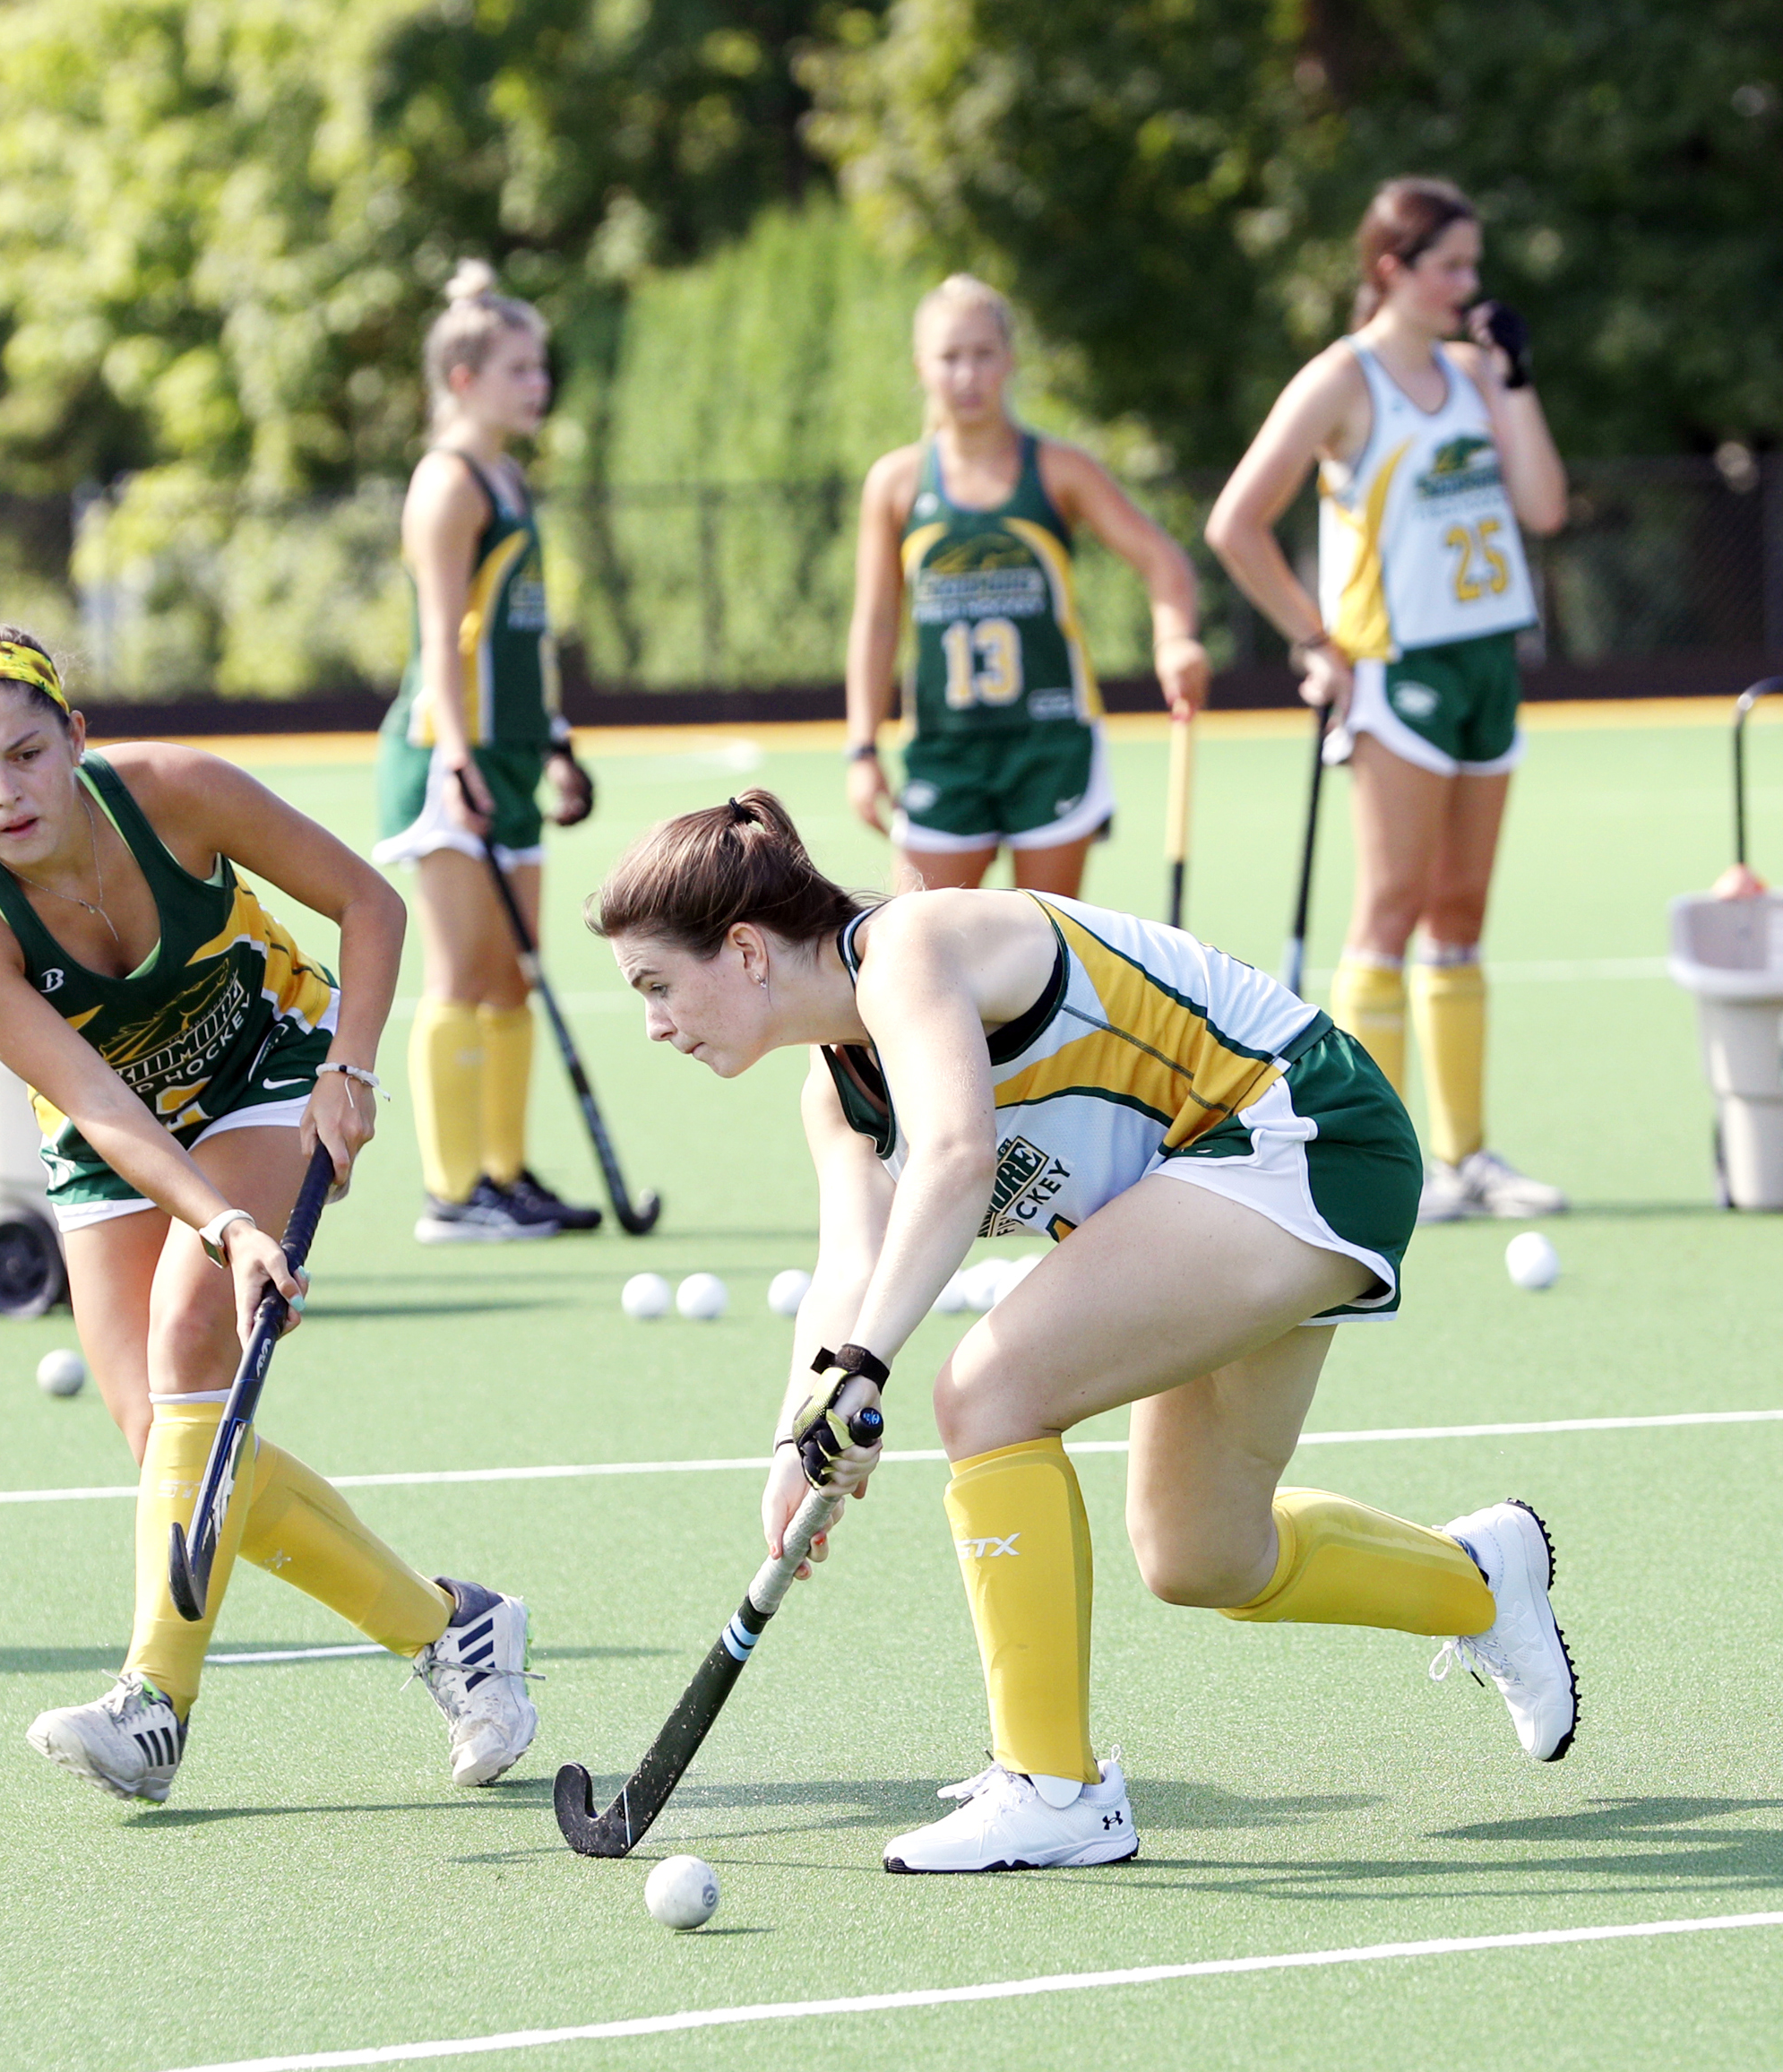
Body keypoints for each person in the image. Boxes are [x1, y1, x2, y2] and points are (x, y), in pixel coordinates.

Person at [588, 790, 1577, 1871]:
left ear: (743, 949)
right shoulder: (837, 1097)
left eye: (657, 984)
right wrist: (798, 1439)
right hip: (1205, 1183)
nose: (654, 1021)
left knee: (986, 1391)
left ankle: (1052, 1784)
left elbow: (960, 1157)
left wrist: (866, 1369)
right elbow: (849, 1270)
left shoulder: (909, 949)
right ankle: (1478, 1580)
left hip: (1296, 1132)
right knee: (1202, 1554)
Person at [0, 621, 535, 1806]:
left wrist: (351, 1066)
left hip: (271, 1062)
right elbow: (89, 1098)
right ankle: (452, 1628)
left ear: (74, 738)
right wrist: (228, 1225)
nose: (8, 793)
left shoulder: (176, 794)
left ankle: (154, 1704)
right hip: (115, 1131)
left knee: (190, 1334)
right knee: (173, 1453)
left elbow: (369, 905)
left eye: (29, 754)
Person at [1208, 177, 1570, 1222]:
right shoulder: (1342, 381)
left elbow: (1542, 504)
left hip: (1486, 664)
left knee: (1461, 913)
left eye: (1473, 264)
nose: (1471, 285)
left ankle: (1470, 1155)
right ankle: (1385, 1151)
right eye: (1452, 265)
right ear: (1391, 271)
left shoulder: (1472, 372)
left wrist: (1518, 378)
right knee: (1392, 905)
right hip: (1394, 667)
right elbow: (1238, 521)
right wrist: (1315, 642)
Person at [844, 276, 1211, 897]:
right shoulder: (897, 483)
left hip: (1051, 742)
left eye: (984, 355)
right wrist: (862, 747)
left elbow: (1162, 559)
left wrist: (1175, 640)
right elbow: (876, 619)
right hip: (943, 748)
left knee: (1044, 951)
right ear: (921, 368)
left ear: (1009, 362)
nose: (968, 375)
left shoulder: (1059, 469)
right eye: (950, 357)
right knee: (917, 947)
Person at [373, 261, 598, 1244]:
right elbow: (437, 639)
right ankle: (451, 1189)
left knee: (514, 975)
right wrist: (458, 758)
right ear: (462, 378)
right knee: (461, 975)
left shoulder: (508, 475)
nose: (537, 384)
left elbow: (513, 634)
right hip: (445, 755)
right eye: (518, 368)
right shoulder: (447, 484)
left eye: (540, 367)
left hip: (507, 755)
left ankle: (505, 1173)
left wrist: (552, 739)